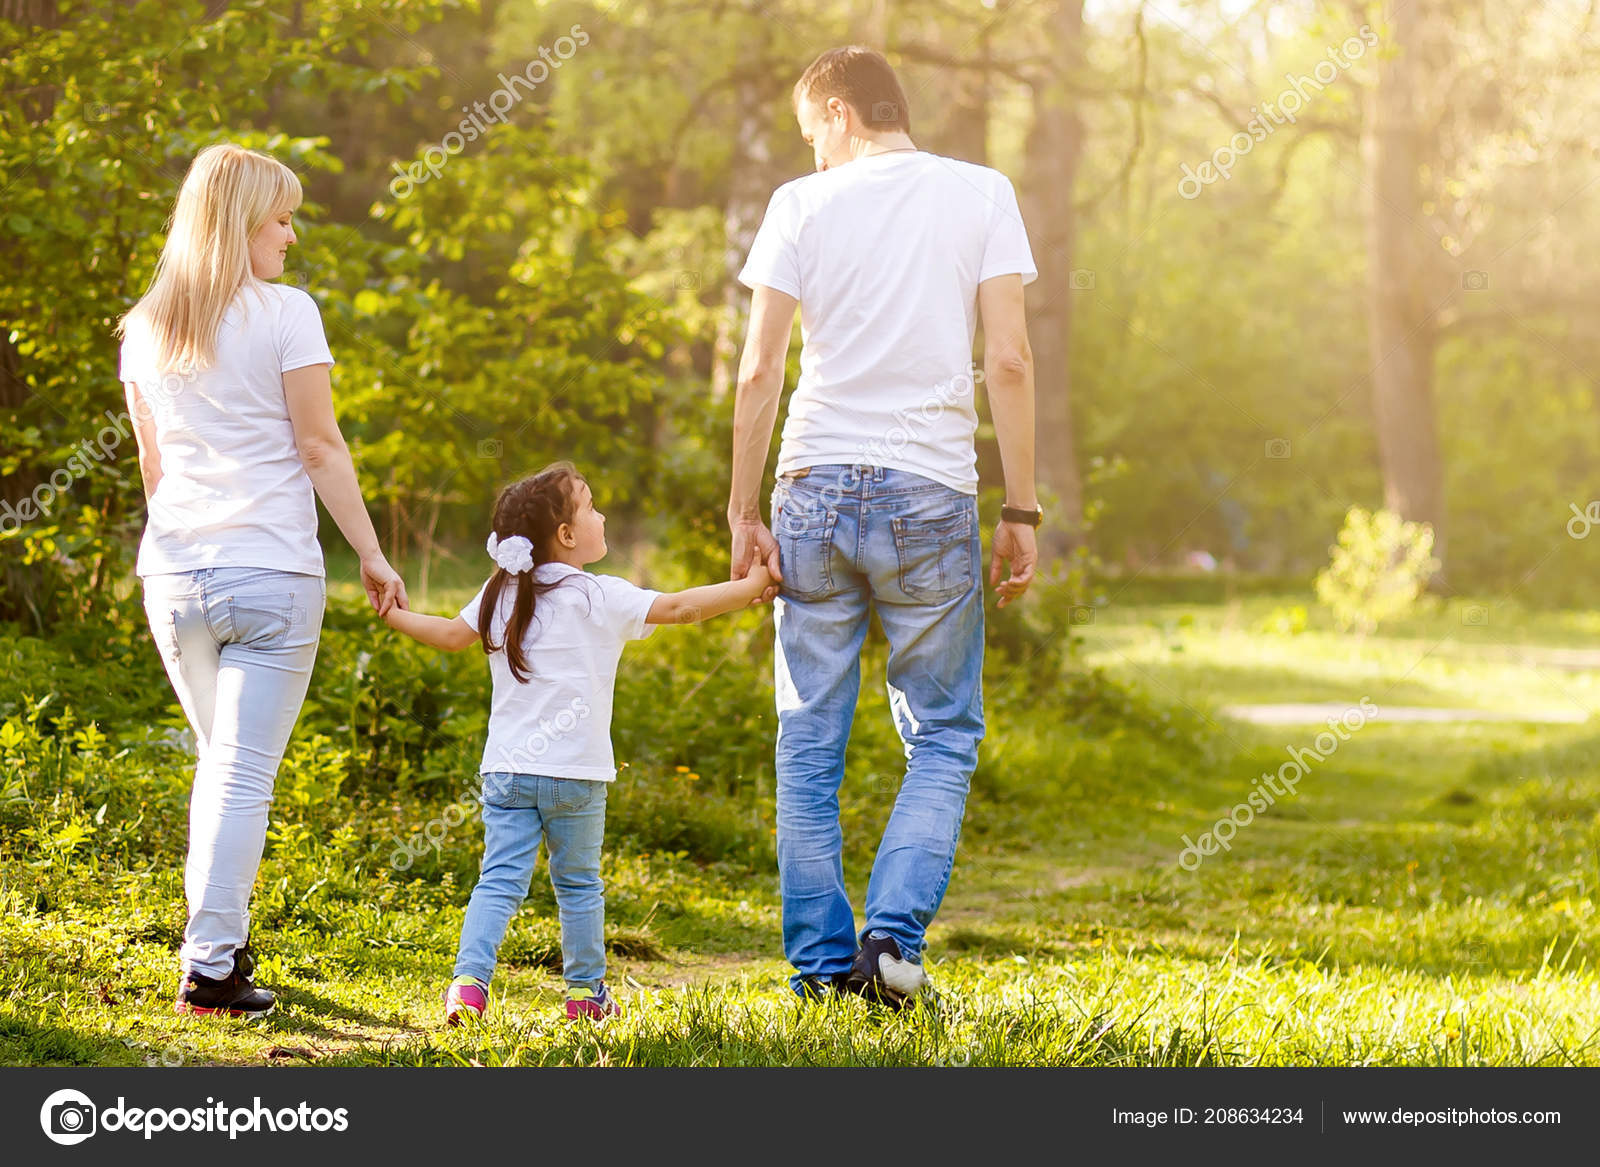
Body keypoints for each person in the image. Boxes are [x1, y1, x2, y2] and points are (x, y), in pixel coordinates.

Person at [728, 46, 1042, 1006]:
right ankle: (888, 946)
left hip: (814, 487)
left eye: (810, 132)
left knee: (807, 739)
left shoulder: (799, 205)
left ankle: (820, 970)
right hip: (930, 494)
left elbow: (758, 370)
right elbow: (1014, 361)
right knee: (942, 735)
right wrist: (1021, 506)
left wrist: (744, 507)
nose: (811, 152)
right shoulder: (983, 192)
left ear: (839, 110)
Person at [118, 143, 407, 1019]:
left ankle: (224, 941)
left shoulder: (145, 325)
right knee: (241, 775)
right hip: (272, 572)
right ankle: (210, 967)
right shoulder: (286, 313)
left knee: (222, 768)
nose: (292, 233)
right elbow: (319, 445)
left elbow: (153, 469)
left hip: (174, 574)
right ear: (241, 220)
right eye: (280, 217)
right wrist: (371, 549)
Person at [381, 461, 772, 1022]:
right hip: (578, 776)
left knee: (499, 881)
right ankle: (586, 996)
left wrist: (395, 616)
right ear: (566, 536)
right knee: (580, 887)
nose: (602, 514)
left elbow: (447, 635)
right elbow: (683, 607)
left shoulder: (500, 593)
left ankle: (468, 985)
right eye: (590, 507)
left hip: (509, 773)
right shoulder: (599, 595)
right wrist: (753, 585)